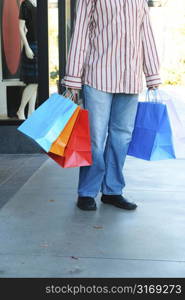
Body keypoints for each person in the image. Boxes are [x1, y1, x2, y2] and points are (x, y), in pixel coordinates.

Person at [62, 0, 161, 211]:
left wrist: (152, 74)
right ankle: (87, 191)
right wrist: (72, 77)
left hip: (131, 78)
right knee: (95, 139)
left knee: (122, 136)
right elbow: (80, 33)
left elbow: (146, 33)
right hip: (98, 75)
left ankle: (112, 190)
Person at [17, 0, 38, 120]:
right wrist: (27, 47)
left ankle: (31, 112)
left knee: (35, 81)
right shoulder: (25, 4)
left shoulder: (39, 4)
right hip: (31, 45)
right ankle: (21, 110)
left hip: (40, 45)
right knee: (35, 81)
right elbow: (20, 28)